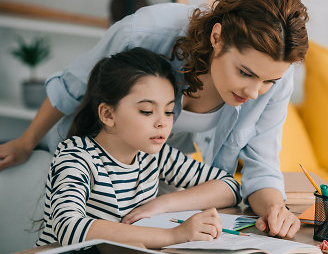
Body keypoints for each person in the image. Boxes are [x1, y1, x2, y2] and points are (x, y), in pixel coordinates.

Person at [0, 0, 309, 239]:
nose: (253, 93)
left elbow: (248, 174)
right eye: (246, 73)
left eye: (269, 81)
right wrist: (25, 142)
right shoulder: (77, 158)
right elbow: (72, 88)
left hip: (142, 197)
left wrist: (274, 210)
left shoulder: (156, 152)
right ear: (217, 38)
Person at [36, 47, 240, 247]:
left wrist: (162, 203)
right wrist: (174, 235)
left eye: (169, 111)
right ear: (108, 114)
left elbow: (229, 186)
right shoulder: (77, 155)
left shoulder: (155, 155)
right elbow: (69, 228)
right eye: (146, 111)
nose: (163, 122)